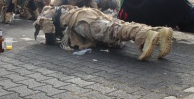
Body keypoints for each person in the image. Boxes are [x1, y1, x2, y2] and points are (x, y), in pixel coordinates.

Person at [33, 5, 173, 61]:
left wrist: (49, 41)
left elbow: (45, 22)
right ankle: (159, 32)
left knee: (110, 31)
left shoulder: (47, 12)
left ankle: (146, 34)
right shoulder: (63, 8)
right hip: (86, 14)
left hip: (80, 20)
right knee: (115, 26)